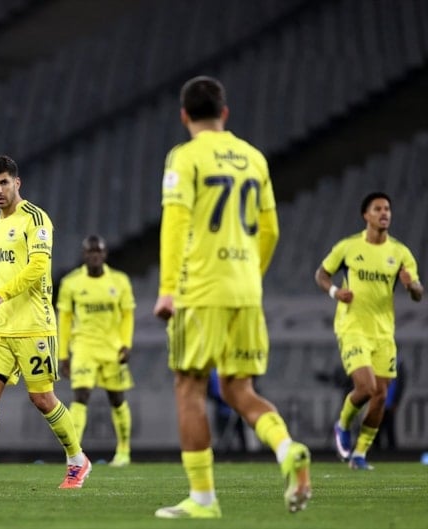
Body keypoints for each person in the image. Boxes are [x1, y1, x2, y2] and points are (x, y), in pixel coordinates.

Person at [153, 76, 311, 518]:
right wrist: (248, 275)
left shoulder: (185, 157)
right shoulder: (254, 158)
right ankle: (287, 448)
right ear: (225, 113)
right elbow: (271, 230)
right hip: (246, 289)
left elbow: (175, 224)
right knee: (239, 387)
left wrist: (168, 289)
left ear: (184, 115)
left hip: (201, 290)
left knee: (189, 386)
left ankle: (203, 499)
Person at [0, 155, 91, 490]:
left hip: (33, 324)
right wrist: (0, 299)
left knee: (42, 398)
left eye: (3, 183)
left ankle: (77, 459)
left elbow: (39, 266)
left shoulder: (36, 218)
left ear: (17, 183)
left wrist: (2, 293)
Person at [315, 192, 422, 470]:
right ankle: (342, 425)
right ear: (366, 215)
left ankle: (360, 454)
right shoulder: (348, 247)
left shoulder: (400, 253)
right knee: (366, 387)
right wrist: (335, 292)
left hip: (383, 333)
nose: (384, 213)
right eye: (378, 209)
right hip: (352, 327)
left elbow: (418, 293)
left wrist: (411, 285)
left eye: (387, 209)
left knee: (381, 396)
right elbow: (321, 274)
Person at [56, 235, 135, 467]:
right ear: (84, 255)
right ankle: (74, 454)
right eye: (90, 252)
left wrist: (126, 343)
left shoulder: (119, 281)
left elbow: (128, 315)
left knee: (117, 399)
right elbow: (65, 319)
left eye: (98, 251)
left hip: (112, 348)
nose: (94, 256)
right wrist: (63, 355)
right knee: (80, 396)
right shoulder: (71, 283)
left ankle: (123, 451)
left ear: (105, 254)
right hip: (84, 347)